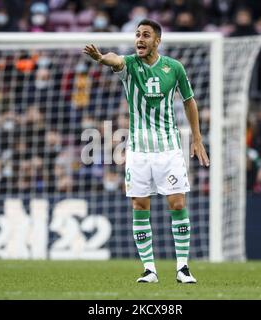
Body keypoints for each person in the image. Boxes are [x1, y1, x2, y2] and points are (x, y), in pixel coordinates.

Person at [83, 19, 209, 284]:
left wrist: (197, 138)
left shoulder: (174, 68)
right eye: (137, 35)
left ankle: (183, 268)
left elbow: (189, 101)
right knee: (140, 204)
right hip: (138, 151)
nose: (140, 39)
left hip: (169, 149)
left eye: (146, 35)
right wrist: (101, 58)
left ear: (157, 40)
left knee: (177, 203)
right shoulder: (129, 65)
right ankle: (149, 269)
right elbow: (115, 60)